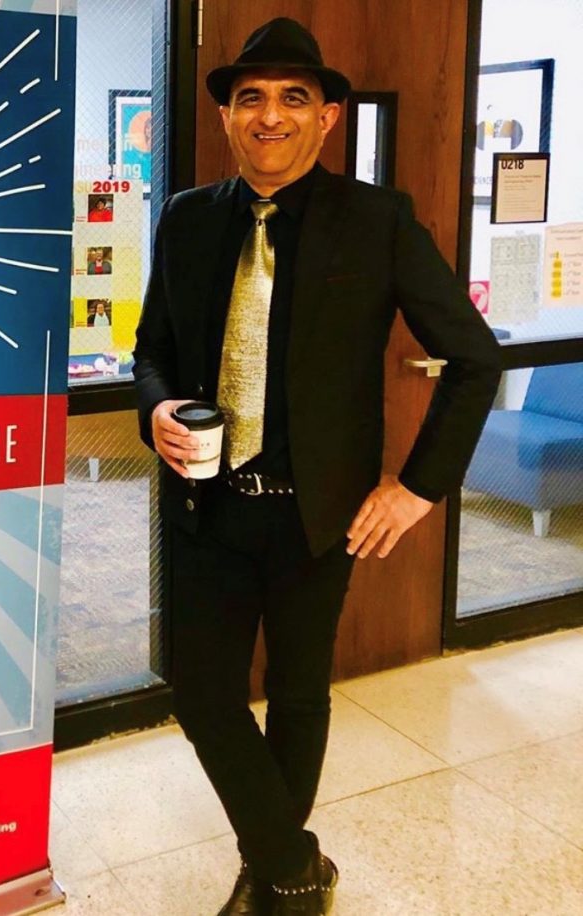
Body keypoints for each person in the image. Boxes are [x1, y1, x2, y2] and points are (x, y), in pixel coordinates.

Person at [132, 17, 501, 916]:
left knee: (298, 696)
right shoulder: (186, 221)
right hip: (206, 510)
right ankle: (295, 861)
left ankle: (273, 880)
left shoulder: (377, 222)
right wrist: (154, 411)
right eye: (250, 97)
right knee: (201, 695)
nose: (270, 117)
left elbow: (474, 357)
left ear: (328, 117)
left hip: (316, 515)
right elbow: (152, 350)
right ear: (225, 116)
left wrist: (415, 489)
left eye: (293, 98)